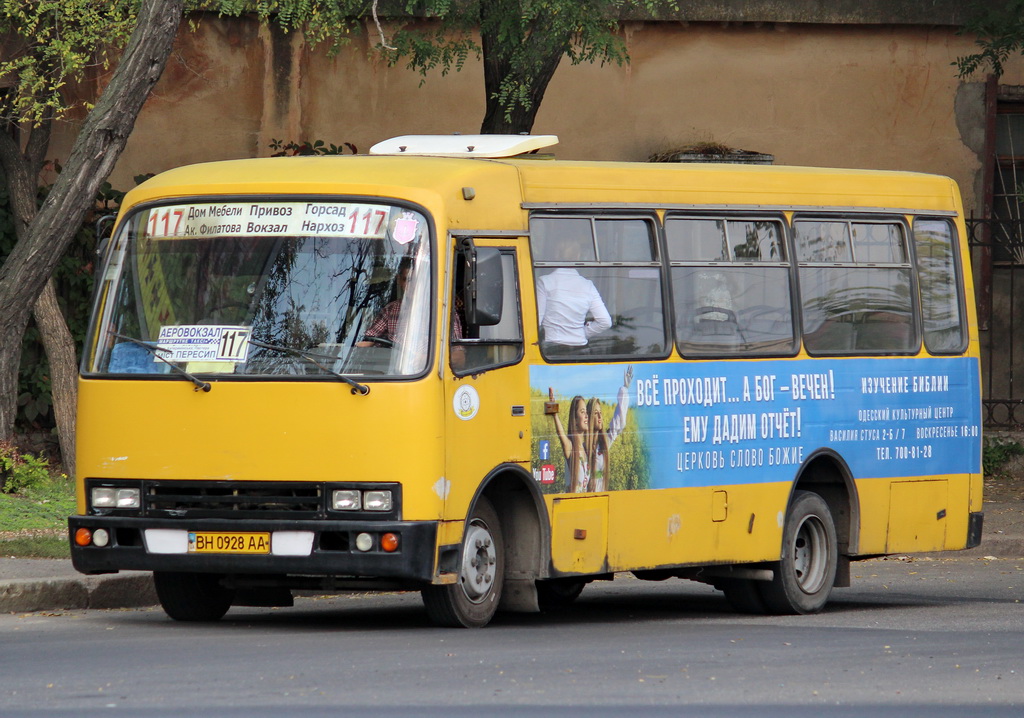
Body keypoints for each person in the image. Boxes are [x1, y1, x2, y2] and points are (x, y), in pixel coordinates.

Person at [536, 268, 611, 351]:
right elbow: (605, 322)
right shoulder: (588, 285)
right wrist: (581, 334)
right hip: (581, 349)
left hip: (552, 347)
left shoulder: (544, 281)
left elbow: (536, 320)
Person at [545, 389, 591, 493]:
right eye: (582, 412)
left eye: (586, 412)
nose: (586, 416)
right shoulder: (570, 447)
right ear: (575, 420)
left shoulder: (585, 449)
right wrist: (555, 414)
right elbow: (560, 433)